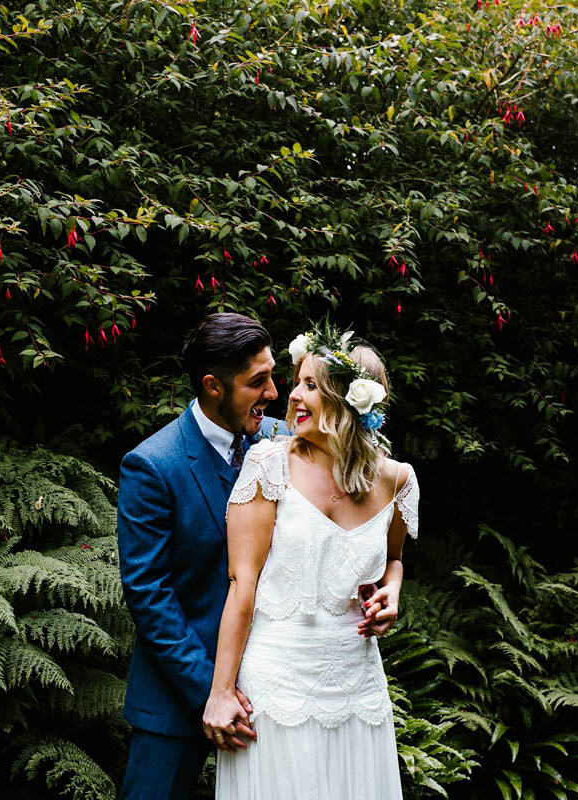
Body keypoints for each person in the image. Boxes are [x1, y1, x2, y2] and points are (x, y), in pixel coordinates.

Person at [202, 325, 419, 799]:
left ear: (350, 401)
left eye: (311, 385)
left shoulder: (397, 480)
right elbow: (242, 585)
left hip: (357, 684)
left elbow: (394, 560)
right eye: (297, 382)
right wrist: (220, 692)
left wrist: (392, 593)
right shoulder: (268, 466)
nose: (292, 396)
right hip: (277, 684)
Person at [117, 312, 282, 800]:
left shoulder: (283, 442)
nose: (273, 393)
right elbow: (150, 596)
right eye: (258, 382)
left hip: (273, 689)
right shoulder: (153, 465)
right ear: (213, 385)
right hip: (176, 697)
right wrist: (214, 690)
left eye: (272, 375)